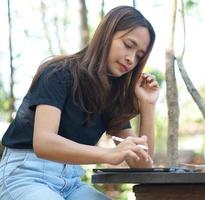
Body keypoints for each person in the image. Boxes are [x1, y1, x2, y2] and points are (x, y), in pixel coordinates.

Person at [0, 5, 159, 200]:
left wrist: (148, 105)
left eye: (139, 55)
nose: (131, 59)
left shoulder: (112, 96)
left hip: (71, 182)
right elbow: (43, 143)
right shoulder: (59, 73)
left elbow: (143, 164)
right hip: (26, 175)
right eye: (128, 45)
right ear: (107, 35)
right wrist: (109, 154)